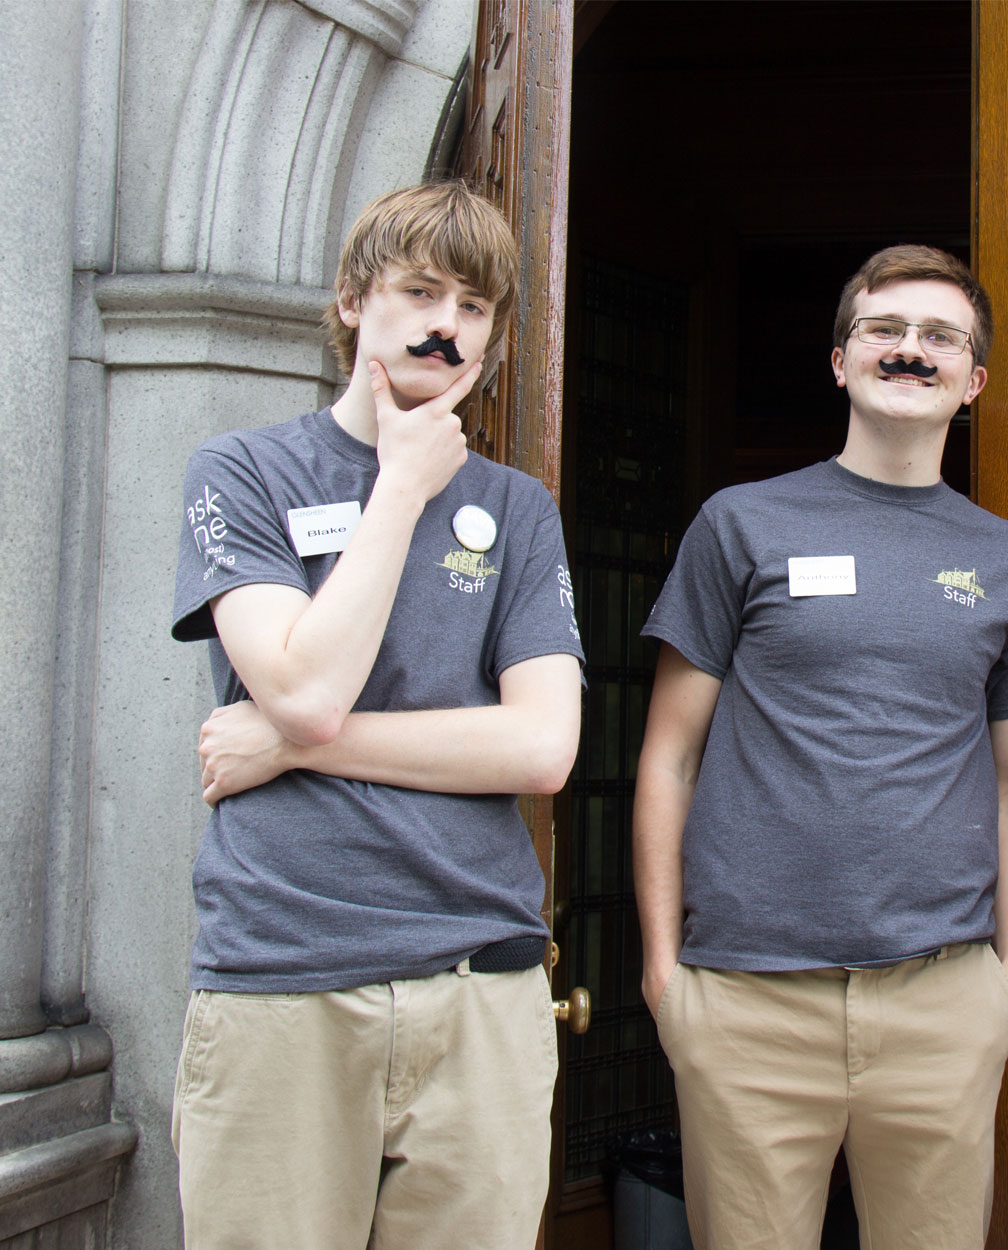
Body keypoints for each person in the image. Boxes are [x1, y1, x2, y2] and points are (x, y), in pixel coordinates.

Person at [169, 181, 584, 1249]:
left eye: (475, 306)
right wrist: (400, 489)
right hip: (286, 970)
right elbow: (304, 683)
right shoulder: (245, 471)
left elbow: (540, 745)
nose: (446, 324)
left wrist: (290, 747)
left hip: (477, 981)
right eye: (418, 291)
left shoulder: (520, 509)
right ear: (356, 300)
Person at [634, 245, 1008, 1250]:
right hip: (745, 998)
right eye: (884, 329)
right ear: (840, 360)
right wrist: (666, 973)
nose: (909, 351)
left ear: (975, 381)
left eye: (939, 337)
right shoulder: (740, 523)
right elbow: (667, 756)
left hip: (940, 995)